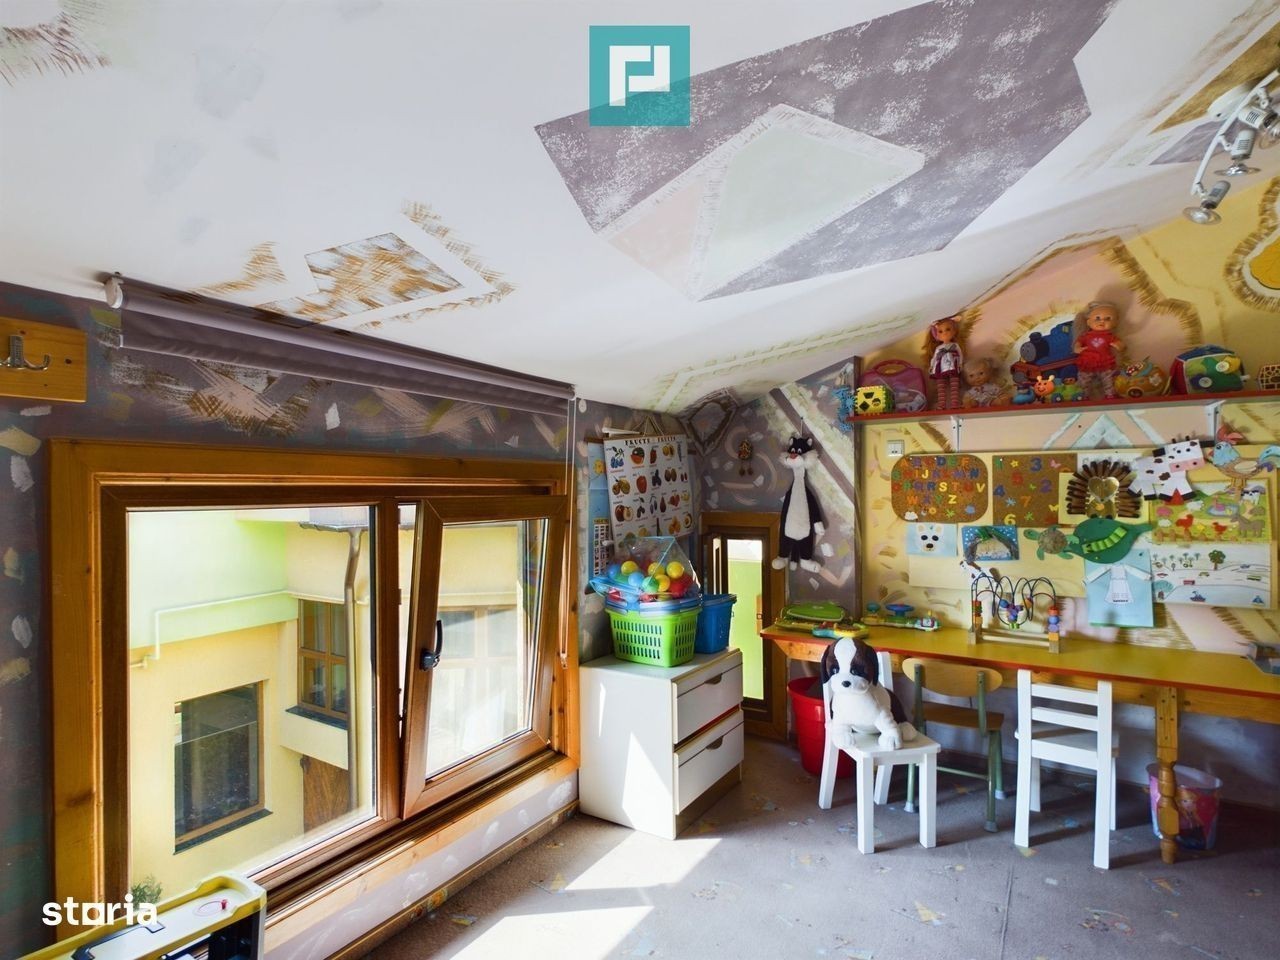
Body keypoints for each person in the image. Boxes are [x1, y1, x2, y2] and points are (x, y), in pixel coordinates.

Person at [1074, 301, 1124, 399]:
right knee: (1083, 380)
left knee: (1109, 379)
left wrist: (1119, 346)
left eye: (1108, 319)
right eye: (1097, 318)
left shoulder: (1110, 336)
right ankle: (1082, 396)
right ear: (1088, 322)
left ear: (1115, 323)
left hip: (1105, 362)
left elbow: (1120, 343)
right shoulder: (1086, 336)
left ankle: (1110, 395)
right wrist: (1077, 348)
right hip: (1088, 361)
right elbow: (1078, 342)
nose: (1102, 321)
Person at [927, 316, 963, 409]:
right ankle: (941, 405)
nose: (945, 333)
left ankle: (955, 404)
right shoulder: (939, 348)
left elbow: (960, 354)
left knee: (955, 384)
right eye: (940, 331)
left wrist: (960, 363)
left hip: (953, 365)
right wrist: (931, 366)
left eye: (948, 329)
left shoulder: (955, 345)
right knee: (940, 386)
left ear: (954, 331)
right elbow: (935, 357)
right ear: (937, 335)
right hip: (940, 367)